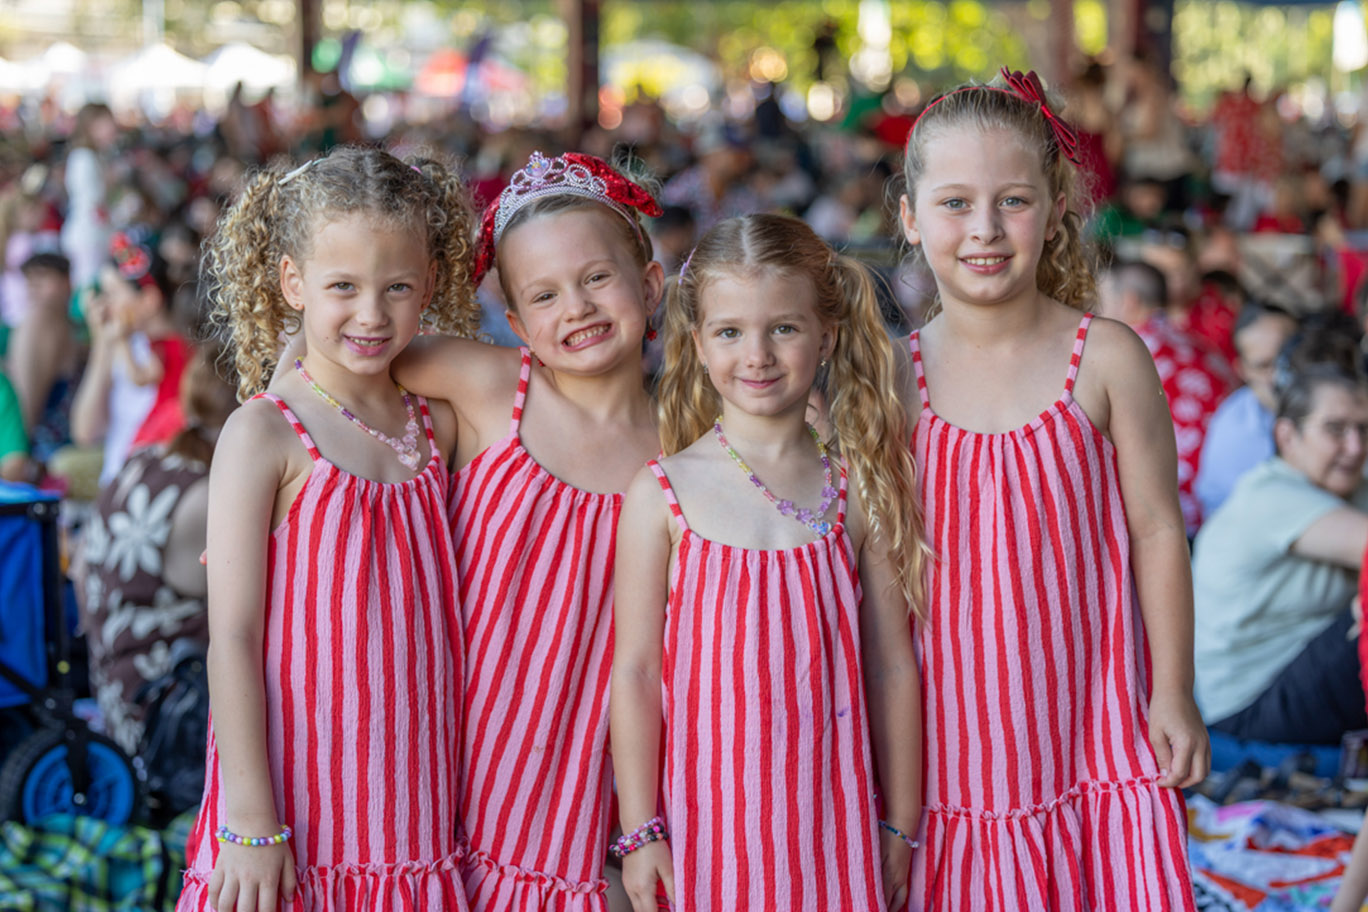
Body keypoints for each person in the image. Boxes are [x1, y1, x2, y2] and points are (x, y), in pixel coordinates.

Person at [897, 68, 1204, 909]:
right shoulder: (891, 377)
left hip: (1090, 725)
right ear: (909, 216)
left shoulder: (1105, 358)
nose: (985, 229)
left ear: (1059, 202)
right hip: (947, 739)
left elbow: (1156, 531)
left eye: (1014, 201)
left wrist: (1173, 688)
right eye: (955, 203)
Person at [175, 146, 478, 912]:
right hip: (295, 807)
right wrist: (250, 822)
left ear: (431, 285)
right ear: (291, 283)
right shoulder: (264, 434)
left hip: (409, 805)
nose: (372, 314)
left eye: (398, 287)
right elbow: (233, 637)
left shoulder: (434, 422)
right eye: (343, 286)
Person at [611, 213, 926, 911]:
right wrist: (640, 831)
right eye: (730, 332)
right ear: (698, 342)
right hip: (708, 836)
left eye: (783, 328)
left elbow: (891, 663)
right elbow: (634, 672)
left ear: (827, 335)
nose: (756, 354)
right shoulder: (664, 492)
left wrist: (900, 821)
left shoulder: (855, 489)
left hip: (835, 828)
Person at [391, 150, 664, 911]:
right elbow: (334, 356)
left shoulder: (690, 441)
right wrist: (278, 515)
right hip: (468, 752)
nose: (574, 306)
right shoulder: (490, 387)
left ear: (649, 284)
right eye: (544, 295)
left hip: (596, 781)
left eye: (597, 278)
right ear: (514, 323)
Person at [76, 341, 237, 757]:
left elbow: (80, 571)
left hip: (116, 700)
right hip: (166, 722)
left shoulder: (142, 458)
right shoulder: (208, 494)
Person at [1193, 365, 1368, 745]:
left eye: (1363, 430)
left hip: (1300, 673)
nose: (1355, 447)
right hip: (1250, 707)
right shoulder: (1270, 496)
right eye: (1335, 429)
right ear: (1287, 436)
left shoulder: (1348, 485)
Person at [1096, 258, 1236, 534]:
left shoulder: (1127, 355)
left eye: (1100, 300)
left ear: (1129, 302)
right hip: (1222, 501)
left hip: (1176, 511)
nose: (1094, 310)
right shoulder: (1193, 342)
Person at [1194, 302, 1299, 517]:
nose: (1278, 374)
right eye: (1264, 365)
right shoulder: (1235, 431)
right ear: (1242, 370)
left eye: (1286, 358)